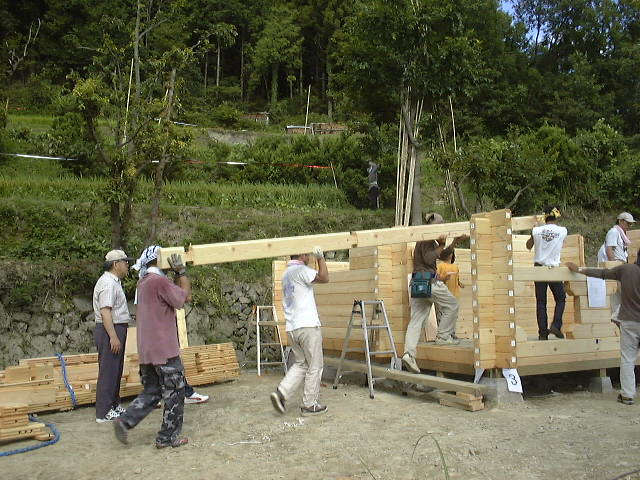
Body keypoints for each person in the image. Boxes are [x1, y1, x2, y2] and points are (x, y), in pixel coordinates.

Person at [113, 245, 192, 448]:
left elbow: (172, 296)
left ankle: (125, 420)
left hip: (147, 349)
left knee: (153, 391)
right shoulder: (159, 281)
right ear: (158, 260)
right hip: (164, 349)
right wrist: (181, 272)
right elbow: (184, 298)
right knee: (175, 392)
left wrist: (175, 276)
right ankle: (167, 437)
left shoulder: (144, 281)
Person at [567, 251, 640, 405]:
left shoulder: (627, 270)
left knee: (627, 358)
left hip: (630, 321)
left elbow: (602, 273)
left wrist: (579, 269)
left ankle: (627, 394)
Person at [402, 213, 469, 374]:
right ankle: (443, 337)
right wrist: (441, 244)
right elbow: (429, 258)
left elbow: (444, 256)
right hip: (428, 281)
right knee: (452, 304)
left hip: (418, 282)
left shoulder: (429, 241)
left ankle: (408, 354)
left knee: (416, 319)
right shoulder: (425, 240)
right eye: (440, 224)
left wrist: (453, 243)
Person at [270, 246, 329, 416]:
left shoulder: (286, 274)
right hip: (308, 327)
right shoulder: (301, 270)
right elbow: (324, 278)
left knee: (302, 363)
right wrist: (320, 258)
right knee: (315, 366)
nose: (309, 257)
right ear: (302, 254)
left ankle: (281, 393)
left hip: (292, 328)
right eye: (308, 254)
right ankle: (309, 405)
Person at [93, 249, 134, 423]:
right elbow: (105, 311)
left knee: (116, 369)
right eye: (125, 262)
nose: (127, 265)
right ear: (116, 264)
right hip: (110, 328)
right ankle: (103, 412)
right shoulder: (107, 283)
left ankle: (113, 404)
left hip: (116, 327)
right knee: (108, 370)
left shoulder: (114, 282)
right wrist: (113, 336)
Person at [526, 206, 568, 340]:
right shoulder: (562, 230)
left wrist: (535, 232)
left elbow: (528, 245)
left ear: (544, 217)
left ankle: (542, 332)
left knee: (541, 301)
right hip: (553, 269)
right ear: (556, 217)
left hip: (539, 268)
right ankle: (556, 324)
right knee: (561, 298)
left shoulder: (536, 230)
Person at [597, 212, 636, 324]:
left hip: (620, 264)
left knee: (617, 294)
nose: (629, 226)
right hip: (616, 265)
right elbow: (609, 249)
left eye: (630, 224)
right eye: (627, 223)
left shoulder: (621, 234)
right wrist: (614, 266)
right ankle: (616, 316)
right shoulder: (614, 232)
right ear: (620, 221)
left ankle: (617, 317)